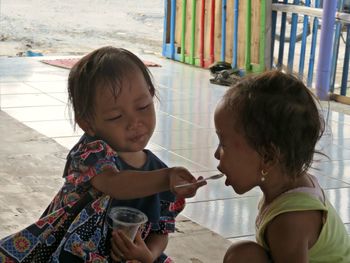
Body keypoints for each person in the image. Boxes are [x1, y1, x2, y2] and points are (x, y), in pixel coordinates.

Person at [0, 46, 205, 262]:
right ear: (87, 123)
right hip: (77, 253)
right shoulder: (91, 153)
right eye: (116, 116)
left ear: (152, 96)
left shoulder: (158, 171)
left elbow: (161, 232)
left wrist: (148, 255)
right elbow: (115, 184)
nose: (134, 122)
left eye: (143, 106)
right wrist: (166, 179)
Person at [213, 70, 350, 263]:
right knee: (243, 255)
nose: (216, 154)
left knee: (243, 257)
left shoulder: (290, 221)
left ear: (268, 157)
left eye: (223, 144)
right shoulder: (290, 185)